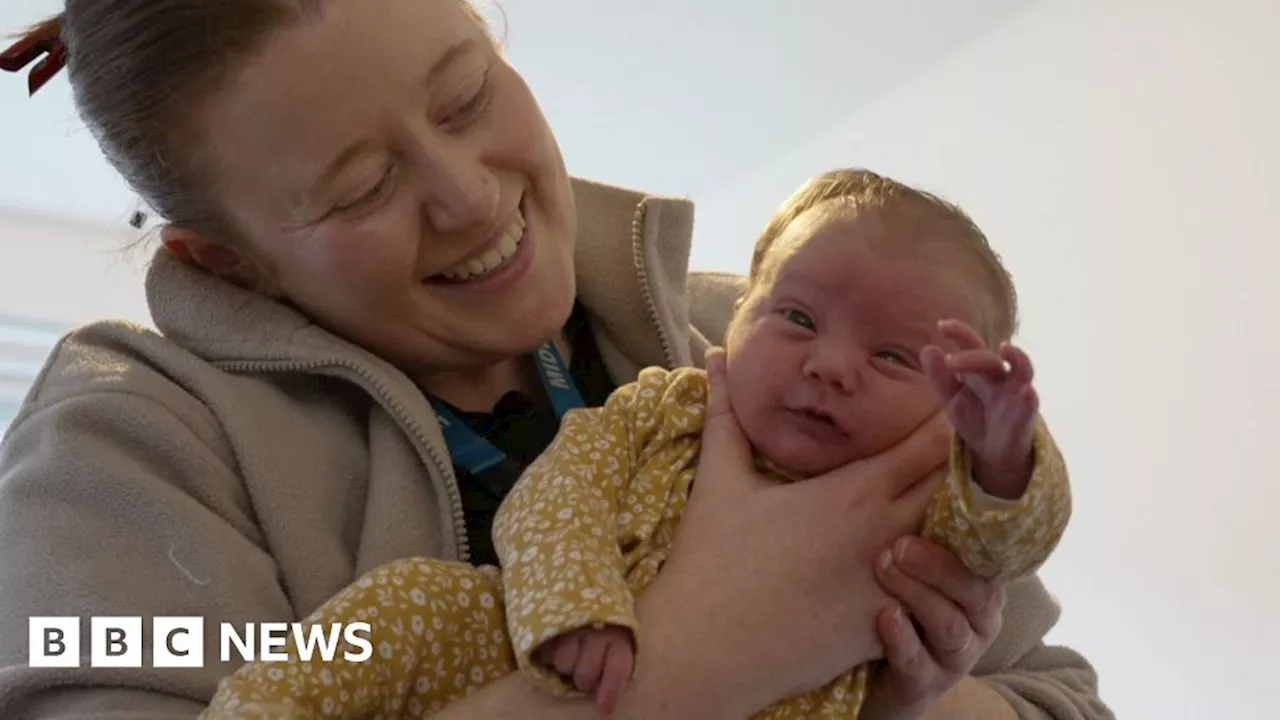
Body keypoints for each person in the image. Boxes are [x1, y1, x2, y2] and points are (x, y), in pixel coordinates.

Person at [0, 2, 1111, 718]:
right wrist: (697, 662)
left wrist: (902, 692)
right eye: (359, 189)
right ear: (229, 265)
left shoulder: (764, 346)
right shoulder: (126, 447)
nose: (468, 195)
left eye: (467, 94)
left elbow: (1058, 698)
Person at [199, 168, 1075, 719]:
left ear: (951, 405)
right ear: (737, 318)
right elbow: (560, 494)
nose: (830, 365)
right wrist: (575, 608)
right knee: (399, 608)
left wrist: (1003, 464)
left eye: (892, 355)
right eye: (797, 318)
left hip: (806, 704)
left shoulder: (925, 488)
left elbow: (1001, 552)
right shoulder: (669, 405)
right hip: (531, 644)